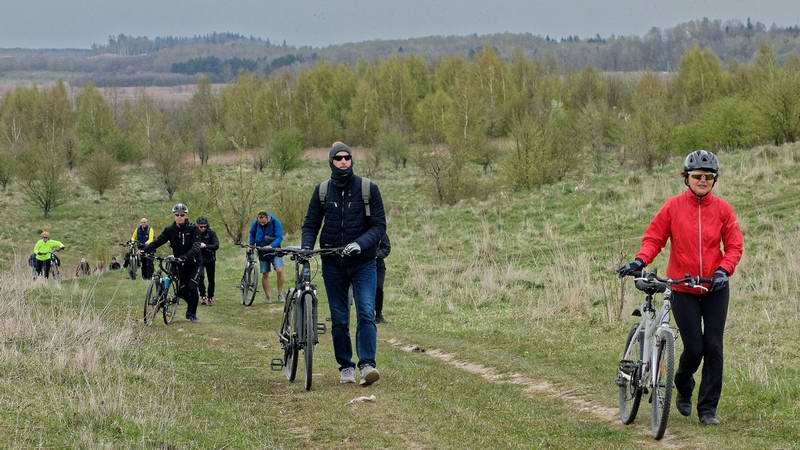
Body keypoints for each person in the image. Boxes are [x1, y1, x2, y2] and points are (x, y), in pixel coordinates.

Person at [618, 150, 744, 426]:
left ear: (715, 180)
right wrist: (640, 260)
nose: (702, 180)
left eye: (708, 177)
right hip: (683, 288)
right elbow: (654, 238)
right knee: (694, 347)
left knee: (713, 346)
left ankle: (708, 410)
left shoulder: (723, 209)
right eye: (697, 176)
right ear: (686, 178)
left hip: (715, 287)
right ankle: (683, 382)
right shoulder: (673, 207)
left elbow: (734, 245)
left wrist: (724, 270)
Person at [302, 141, 386, 386]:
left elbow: (379, 226)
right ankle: (346, 367)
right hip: (332, 263)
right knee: (339, 318)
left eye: (347, 158)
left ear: (352, 160)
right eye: (338, 158)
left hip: (363, 263)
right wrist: (307, 247)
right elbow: (310, 225)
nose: (343, 162)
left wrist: (360, 243)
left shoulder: (368, 189)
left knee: (366, 312)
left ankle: (367, 365)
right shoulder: (322, 191)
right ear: (331, 161)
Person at [142, 203, 203, 323]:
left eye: (182, 214)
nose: (179, 217)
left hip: (194, 263)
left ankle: (191, 314)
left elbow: (196, 247)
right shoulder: (170, 230)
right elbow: (158, 242)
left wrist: (184, 257)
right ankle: (191, 303)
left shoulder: (193, 229)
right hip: (179, 264)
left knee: (192, 287)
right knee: (180, 291)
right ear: (174, 216)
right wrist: (144, 250)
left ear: (186, 215)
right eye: (177, 215)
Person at [248, 210, 285, 303]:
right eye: (260, 222)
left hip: (275, 250)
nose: (262, 224)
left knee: (279, 271)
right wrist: (251, 245)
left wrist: (271, 246)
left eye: (263, 222)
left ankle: (280, 294)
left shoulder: (276, 222)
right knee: (265, 274)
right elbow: (252, 234)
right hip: (262, 251)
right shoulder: (256, 223)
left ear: (267, 218)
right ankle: (268, 297)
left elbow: (279, 237)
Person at [196, 216, 220, 306]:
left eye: (204, 226)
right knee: (200, 277)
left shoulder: (211, 233)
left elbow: (216, 245)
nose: (203, 228)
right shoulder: (194, 233)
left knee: (211, 279)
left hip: (210, 258)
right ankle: (203, 296)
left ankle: (210, 297)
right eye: (201, 226)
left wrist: (205, 246)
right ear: (197, 226)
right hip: (199, 258)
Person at [374, 231, 391, 324]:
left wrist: (377, 255)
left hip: (378, 266)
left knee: (379, 288)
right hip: (363, 265)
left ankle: (378, 315)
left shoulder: (380, 231)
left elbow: (386, 248)